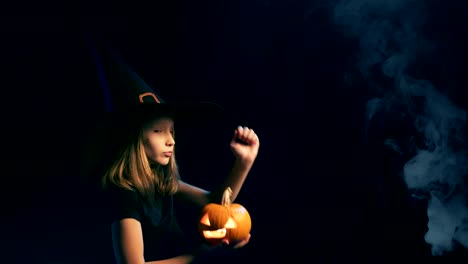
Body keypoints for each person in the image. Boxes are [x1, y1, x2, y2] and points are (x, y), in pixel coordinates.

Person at [87, 38, 260, 264]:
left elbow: (216, 203)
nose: (171, 141)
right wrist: (198, 256)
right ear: (133, 140)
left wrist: (243, 163)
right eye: (158, 131)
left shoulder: (160, 178)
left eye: (172, 131)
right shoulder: (123, 192)